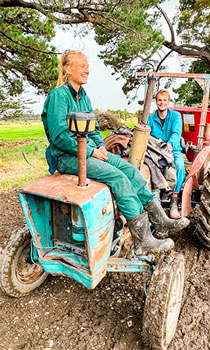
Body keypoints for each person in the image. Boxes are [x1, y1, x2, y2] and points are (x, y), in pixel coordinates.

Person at [41, 50, 188, 254]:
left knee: (130, 170)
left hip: (88, 151)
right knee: (118, 178)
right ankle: (143, 239)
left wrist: (100, 145)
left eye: (88, 66)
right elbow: (60, 137)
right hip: (67, 157)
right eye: (82, 66)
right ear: (67, 69)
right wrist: (92, 152)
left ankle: (160, 220)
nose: (87, 70)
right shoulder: (59, 96)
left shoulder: (83, 97)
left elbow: (92, 128)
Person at [147, 89, 186, 218]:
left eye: (165, 100)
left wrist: (170, 144)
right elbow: (147, 134)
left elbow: (176, 133)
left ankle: (174, 199)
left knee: (179, 166)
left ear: (169, 102)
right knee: (150, 166)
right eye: (159, 100)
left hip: (172, 149)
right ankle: (155, 197)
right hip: (156, 150)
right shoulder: (151, 118)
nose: (162, 103)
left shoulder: (176, 116)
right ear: (156, 102)